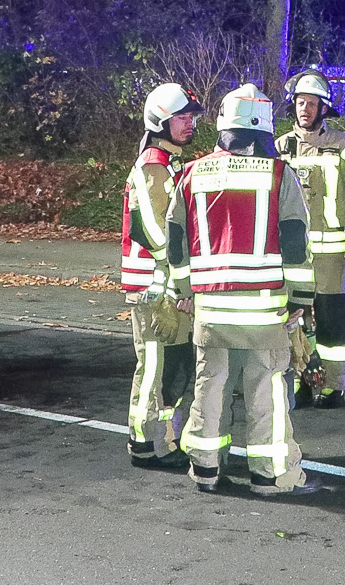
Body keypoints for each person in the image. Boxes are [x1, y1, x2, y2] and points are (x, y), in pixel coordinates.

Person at [168, 83, 323, 496]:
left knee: (210, 385)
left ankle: (205, 468)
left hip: (211, 307)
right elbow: (295, 241)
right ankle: (270, 475)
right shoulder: (278, 174)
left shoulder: (191, 173)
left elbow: (175, 238)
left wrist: (183, 289)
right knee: (266, 388)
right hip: (264, 308)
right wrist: (301, 299)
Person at [276, 69, 345, 408]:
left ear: (324, 108)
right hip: (293, 253)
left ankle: (335, 383)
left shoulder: (343, 145)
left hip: (332, 252)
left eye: (312, 103)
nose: (305, 109)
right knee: (295, 319)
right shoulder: (280, 147)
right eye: (300, 102)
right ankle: (301, 379)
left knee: (331, 318)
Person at [121, 82, 204, 471]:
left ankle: (164, 439)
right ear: (159, 122)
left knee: (173, 368)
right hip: (153, 290)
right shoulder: (153, 166)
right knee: (153, 367)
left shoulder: (170, 164)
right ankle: (142, 443)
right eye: (181, 118)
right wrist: (175, 287)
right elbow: (157, 234)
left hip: (168, 286)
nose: (189, 124)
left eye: (191, 117)